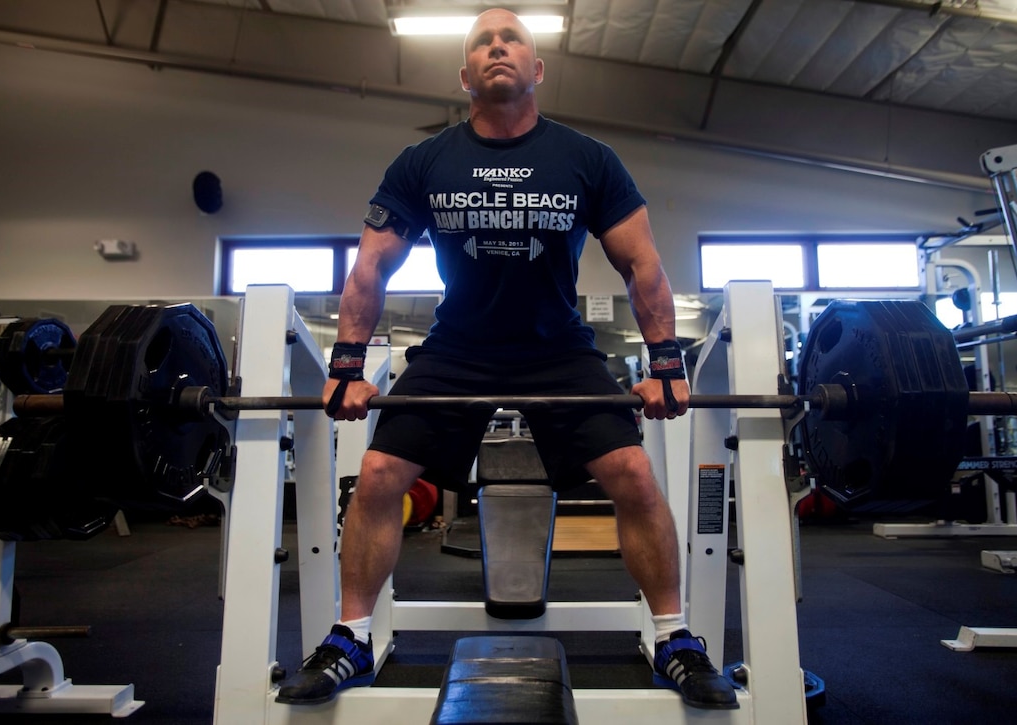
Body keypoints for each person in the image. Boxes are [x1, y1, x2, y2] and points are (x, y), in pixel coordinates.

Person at [276, 8, 738, 711]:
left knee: (635, 473)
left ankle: (674, 636)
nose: (498, 47)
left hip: (558, 349)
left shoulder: (587, 159)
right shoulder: (423, 162)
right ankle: (351, 634)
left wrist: (667, 362)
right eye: (483, 43)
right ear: (466, 76)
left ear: (536, 69)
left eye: (512, 38)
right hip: (459, 348)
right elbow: (370, 267)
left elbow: (642, 264)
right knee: (376, 473)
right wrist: (344, 363)